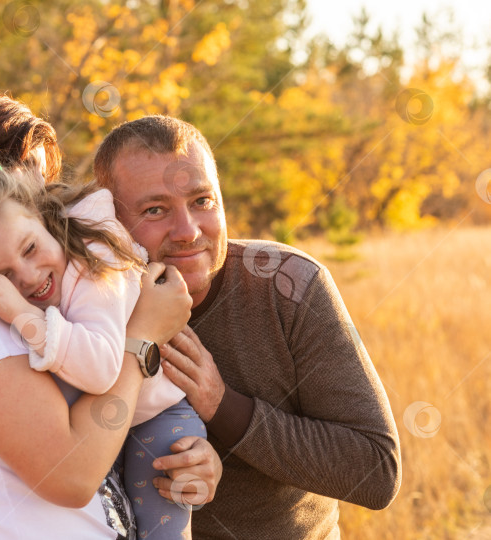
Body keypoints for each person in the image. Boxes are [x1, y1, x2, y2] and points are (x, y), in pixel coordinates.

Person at [0, 90, 222, 538]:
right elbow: (71, 473)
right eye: (19, 168)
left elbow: (80, 428)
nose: (36, 197)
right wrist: (144, 333)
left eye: (40, 176)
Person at [93, 115, 402, 539]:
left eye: (202, 201)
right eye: (155, 209)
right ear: (108, 220)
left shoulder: (290, 286)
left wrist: (222, 405)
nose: (188, 231)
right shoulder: (86, 304)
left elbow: (375, 471)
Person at [0, 163, 207, 539]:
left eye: (30, 248)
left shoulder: (97, 264)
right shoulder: (43, 259)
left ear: (40, 215)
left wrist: (21, 313)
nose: (30, 276)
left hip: (158, 418)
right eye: (2, 275)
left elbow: (100, 369)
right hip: (105, 425)